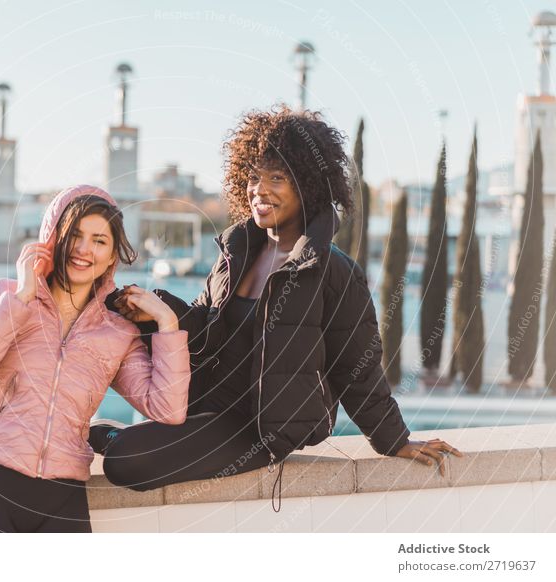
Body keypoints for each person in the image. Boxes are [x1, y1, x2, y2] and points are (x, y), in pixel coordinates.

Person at [102, 105, 461, 510]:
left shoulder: (332, 271)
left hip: (262, 429)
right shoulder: (235, 253)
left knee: (124, 460)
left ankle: (110, 437)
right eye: (254, 178)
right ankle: (106, 434)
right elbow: (206, 328)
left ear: (308, 185)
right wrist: (157, 309)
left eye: (277, 178)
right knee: (128, 445)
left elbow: (356, 364)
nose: (260, 190)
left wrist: (394, 439)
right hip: (207, 404)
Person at [0, 185, 190, 532]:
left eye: (99, 240)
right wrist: (22, 298)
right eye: (75, 234)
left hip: (63, 491)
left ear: (111, 256)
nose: (84, 249)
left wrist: (168, 324)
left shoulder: (118, 332)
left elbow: (168, 408)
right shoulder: (6, 295)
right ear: (53, 238)